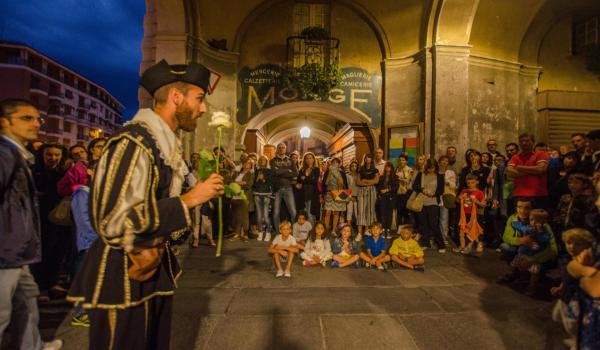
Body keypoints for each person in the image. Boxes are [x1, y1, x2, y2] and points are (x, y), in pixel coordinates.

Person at [66, 60, 225, 349]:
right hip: (123, 275)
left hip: (150, 268)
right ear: (176, 97)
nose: (203, 109)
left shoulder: (161, 146)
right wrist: (191, 199)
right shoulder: (132, 142)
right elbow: (112, 220)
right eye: (199, 98)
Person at [0, 98, 63, 349]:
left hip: (17, 253)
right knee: (3, 312)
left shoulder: (16, 153)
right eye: (27, 118)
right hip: (5, 253)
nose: (36, 123)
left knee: (26, 301)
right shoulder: (5, 154)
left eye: (38, 119)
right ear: (5, 122)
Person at [31, 143, 68, 302]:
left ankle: (53, 283)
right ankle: (41, 288)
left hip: (60, 219)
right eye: (49, 155)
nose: (53, 158)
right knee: (43, 252)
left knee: (58, 250)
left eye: (56, 155)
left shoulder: (63, 173)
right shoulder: (35, 172)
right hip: (40, 219)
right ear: (42, 155)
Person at [550, 228, 596, 347]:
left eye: (577, 244)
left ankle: (577, 343)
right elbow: (567, 278)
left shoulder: (585, 262)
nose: (572, 246)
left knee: (573, 325)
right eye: (569, 243)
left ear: (588, 245)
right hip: (565, 296)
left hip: (574, 301)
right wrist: (560, 287)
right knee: (558, 317)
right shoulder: (571, 259)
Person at [412, 158, 446, 252]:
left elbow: (441, 190)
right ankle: (426, 243)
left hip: (433, 202)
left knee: (433, 224)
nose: (431, 170)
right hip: (421, 202)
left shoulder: (439, 176)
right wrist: (422, 190)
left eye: (433, 168)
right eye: (429, 168)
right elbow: (414, 186)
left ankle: (441, 245)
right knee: (423, 224)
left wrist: (433, 194)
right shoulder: (421, 174)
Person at [507, 133, 549, 209]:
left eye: (526, 141)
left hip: (538, 195)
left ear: (533, 142)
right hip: (518, 195)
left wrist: (519, 167)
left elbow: (541, 169)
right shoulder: (515, 157)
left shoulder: (541, 154)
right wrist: (533, 170)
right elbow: (509, 172)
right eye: (521, 141)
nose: (524, 143)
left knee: (537, 219)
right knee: (517, 220)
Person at [270, 143, 298, 232]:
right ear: (277, 149)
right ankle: (278, 232)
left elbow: (295, 173)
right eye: (279, 148)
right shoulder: (272, 160)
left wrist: (280, 171)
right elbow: (274, 172)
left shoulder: (290, 160)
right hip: (277, 189)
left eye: (283, 148)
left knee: (293, 211)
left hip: (288, 188)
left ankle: (294, 231)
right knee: (276, 212)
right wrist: (287, 170)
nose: (281, 149)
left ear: (285, 149)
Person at [456, 174, 485, 253]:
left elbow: (483, 205)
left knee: (470, 231)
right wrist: (460, 198)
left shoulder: (479, 193)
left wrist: (476, 201)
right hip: (463, 214)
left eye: (472, 183)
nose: (470, 185)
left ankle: (469, 247)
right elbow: (458, 200)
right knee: (461, 231)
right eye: (468, 183)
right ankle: (462, 246)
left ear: (477, 182)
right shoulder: (464, 191)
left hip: (473, 215)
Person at [229, 158, 255, 242]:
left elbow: (249, 185)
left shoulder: (251, 174)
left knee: (244, 216)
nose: (246, 165)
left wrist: (238, 184)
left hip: (244, 196)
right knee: (237, 216)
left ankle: (246, 234)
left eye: (248, 163)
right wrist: (240, 183)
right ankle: (237, 234)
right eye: (245, 163)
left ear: (251, 165)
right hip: (235, 196)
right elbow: (231, 182)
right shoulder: (237, 173)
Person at [356, 153, 379, 240]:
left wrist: (365, 180)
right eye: (366, 158)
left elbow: (376, 181)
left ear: (371, 159)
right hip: (362, 191)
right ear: (364, 159)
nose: (368, 159)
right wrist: (369, 182)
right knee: (360, 210)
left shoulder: (375, 170)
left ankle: (367, 230)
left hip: (371, 191)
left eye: (369, 158)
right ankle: (359, 233)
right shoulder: (361, 169)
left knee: (370, 211)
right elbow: (358, 182)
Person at [323, 157, 348, 231]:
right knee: (328, 212)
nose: (335, 164)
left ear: (339, 164)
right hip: (329, 193)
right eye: (333, 163)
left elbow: (343, 184)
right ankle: (326, 229)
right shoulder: (328, 172)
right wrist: (330, 173)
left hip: (338, 193)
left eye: (336, 162)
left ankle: (334, 230)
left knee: (337, 213)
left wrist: (336, 175)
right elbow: (325, 183)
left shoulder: (342, 173)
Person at [296, 152, 321, 226]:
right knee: (305, 212)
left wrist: (305, 178)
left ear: (313, 159)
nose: (308, 160)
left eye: (310, 158)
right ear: (304, 160)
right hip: (303, 194)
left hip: (312, 194)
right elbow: (299, 181)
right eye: (306, 158)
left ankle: (312, 230)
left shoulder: (316, 169)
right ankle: (306, 229)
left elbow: (314, 181)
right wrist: (305, 180)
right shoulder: (302, 170)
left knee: (311, 213)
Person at [253, 155, 273, 241]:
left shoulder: (269, 171)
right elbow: (253, 183)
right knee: (259, 216)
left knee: (265, 215)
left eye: (263, 160)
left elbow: (271, 183)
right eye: (260, 160)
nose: (261, 161)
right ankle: (260, 232)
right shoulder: (256, 170)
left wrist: (263, 179)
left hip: (266, 194)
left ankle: (268, 232)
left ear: (266, 161)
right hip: (257, 194)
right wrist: (257, 179)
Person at [376, 161, 398, 237]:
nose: (388, 168)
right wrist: (379, 192)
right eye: (386, 166)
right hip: (383, 197)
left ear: (391, 168)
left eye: (389, 166)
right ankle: (382, 230)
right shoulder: (382, 177)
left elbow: (396, 187)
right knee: (382, 213)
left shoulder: (395, 177)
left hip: (391, 197)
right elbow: (378, 187)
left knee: (389, 214)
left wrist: (388, 190)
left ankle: (388, 230)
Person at [438, 155, 457, 243]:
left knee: (444, 217)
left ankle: (443, 237)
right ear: (439, 162)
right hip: (435, 196)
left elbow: (454, 185)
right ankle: (434, 236)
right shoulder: (435, 171)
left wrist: (446, 181)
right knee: (434, 217)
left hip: (445, 196)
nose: (444, 162)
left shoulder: (450, 172)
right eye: (443, 160)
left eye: (446, 161)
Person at [395, 155, 413, 227]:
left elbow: (410, 181)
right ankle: (399, 228)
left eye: (403, 160)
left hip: (406, 193)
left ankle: (406, 229)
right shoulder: (397, 169)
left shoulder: (410, 170)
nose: (401, 161)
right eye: (400, 160)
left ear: (406, 161)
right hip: (398, 193)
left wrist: (400, 179)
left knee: (406, 212)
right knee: (399, 211)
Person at [345, 160, 360, 226]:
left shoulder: (359, 175)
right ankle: (349, 227)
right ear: (350, 167)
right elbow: (346, 186)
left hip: (358, 196)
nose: (354, 167)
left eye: (355, 166)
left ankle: (357, 228)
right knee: (349, 212)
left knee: (357, 213)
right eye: (352, 166)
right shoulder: (347, 176)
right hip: (349, 196)